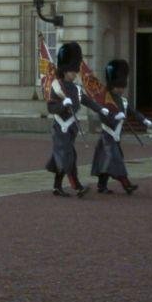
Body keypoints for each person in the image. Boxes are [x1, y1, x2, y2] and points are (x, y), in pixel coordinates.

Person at [46, 42, 109, 198]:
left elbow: (87, 101)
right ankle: (77, 186)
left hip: (71, 129)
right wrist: (62, 105)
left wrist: (100, 109)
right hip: (61, 128)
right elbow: (51, 108)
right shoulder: (56, 86)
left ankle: (56, 187)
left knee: (63, 156)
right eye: (72, 71)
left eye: (75, 71)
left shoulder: (76, 88)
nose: (75, 74)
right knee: (68, 156)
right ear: (65, 70)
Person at [91, 59, 152, 195]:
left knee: (107, 162)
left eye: (122, 86)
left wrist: (144, 120)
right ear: (112, 85)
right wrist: (114, 118)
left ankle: (102, 186)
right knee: (116, 161)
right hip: (107, 136)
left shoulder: (123, 101)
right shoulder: (105, 99)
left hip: (115, 137)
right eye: (118, 86)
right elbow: (103, 115)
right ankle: (127, 185)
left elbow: (132, 111)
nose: (120, 89)